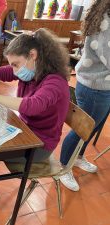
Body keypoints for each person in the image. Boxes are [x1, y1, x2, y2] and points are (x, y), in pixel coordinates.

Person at [0, 28, 70, 223]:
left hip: (41, 145)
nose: (15, 70)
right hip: (26, 130)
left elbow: (32, 106)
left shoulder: (54, 82)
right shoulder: (33, 70)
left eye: (16, 64)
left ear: (33, 55)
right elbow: (2, 71)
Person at [59, 0, 110, 192]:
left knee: (90, 128)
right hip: (95, 87)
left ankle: (77, 157)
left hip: (101, 85)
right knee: (82, 130)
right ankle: (64, 167)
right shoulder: (106, 21)